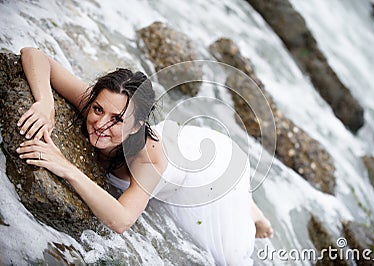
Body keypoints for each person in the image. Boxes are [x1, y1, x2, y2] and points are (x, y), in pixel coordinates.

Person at [16, 47, 273, 265]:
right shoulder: (102, 106)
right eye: (97, 109)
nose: (101, 124)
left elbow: (121, 220)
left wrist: (66, 167)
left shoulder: (148, 160)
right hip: (183, 145)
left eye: (117, 120)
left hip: (206, 173)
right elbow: (33, 54)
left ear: (137, 125)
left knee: (230, 257)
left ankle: (248, 209)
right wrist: (45, 103)